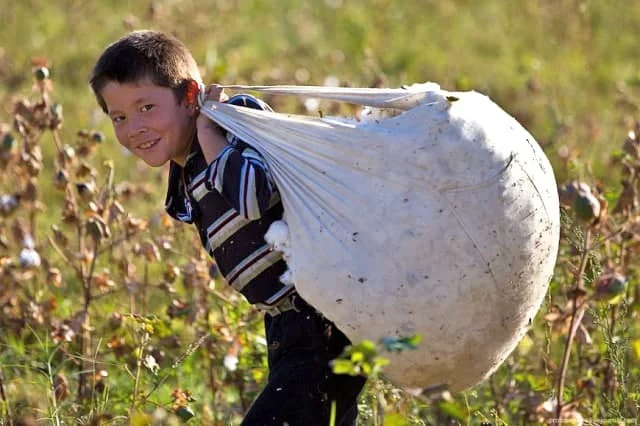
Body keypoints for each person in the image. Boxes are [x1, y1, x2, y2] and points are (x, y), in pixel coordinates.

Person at [89, 30, 366, 425]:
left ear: (189, 98)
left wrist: (208, 130)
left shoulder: (235, 126)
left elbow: (254, 198)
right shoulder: (186, 173)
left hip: (322, 316)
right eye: (119, 117)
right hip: (285, 324)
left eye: (147, 107)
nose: (134, 127)